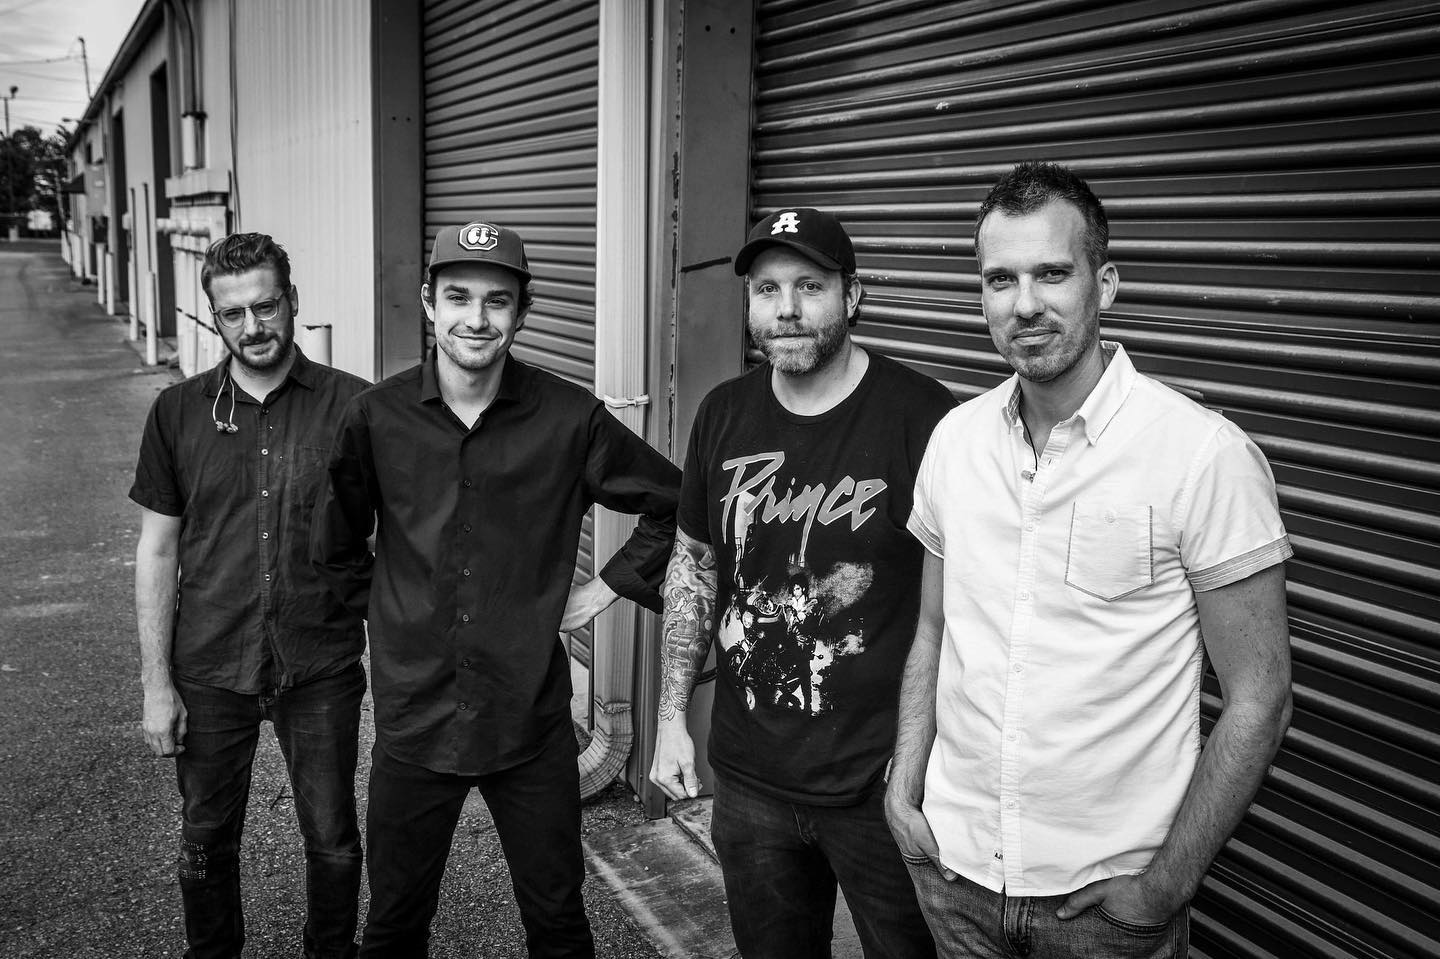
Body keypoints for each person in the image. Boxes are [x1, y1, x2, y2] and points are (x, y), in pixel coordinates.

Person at [886, 161, 1294, 958]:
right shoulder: (955, 442)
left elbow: (1261, 697)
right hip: (953, 874)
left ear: (1104, 283)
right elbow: (935, 628)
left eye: (1052, 273)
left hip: (1106, 909)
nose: (1024, 303)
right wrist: (905, 785)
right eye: (1000, 279)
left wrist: (1164, 888)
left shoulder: (1202, 455)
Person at [312, 219, 681, 958]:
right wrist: (398, 618)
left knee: (558, 922)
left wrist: (603, 588)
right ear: (428, 302)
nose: (476, 318)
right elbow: (336, 547)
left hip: (528, 720)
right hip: (415, 722)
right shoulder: (376, 417)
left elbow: (676, 501)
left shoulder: (569, 418)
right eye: (458, 296)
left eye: (497, 299)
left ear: (522, 309)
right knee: (393, 925)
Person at [650, 208, 954, 958]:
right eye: (767, 289)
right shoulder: (723, 413)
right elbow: (695, 566)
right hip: (749, 779)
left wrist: (923, 764)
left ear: (852, 295)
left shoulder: (924, 417)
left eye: (809, 286)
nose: (785, 308)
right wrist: (670, 718)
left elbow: (963, 606)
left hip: (881, 783)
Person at [131, 232, 371, 959]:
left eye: (265, 306)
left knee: (333, 838)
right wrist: (156, 685)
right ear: (215, 316)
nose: (253, 326)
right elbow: (157, 550)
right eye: (233, 313)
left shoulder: (355, 406)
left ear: (292, 301)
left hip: (320, 662)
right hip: (209, 664)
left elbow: (398, 535)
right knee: (206, 838)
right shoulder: (177, 412)